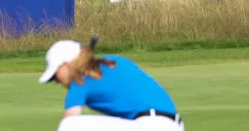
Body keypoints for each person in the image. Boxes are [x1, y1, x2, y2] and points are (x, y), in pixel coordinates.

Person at [39, 39, 183, 131]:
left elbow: (69, 121)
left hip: (151, 126)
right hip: (175, 125)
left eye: (55, 75)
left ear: (66, 64)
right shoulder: (113, 60)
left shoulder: (80, 81)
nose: (56, 81)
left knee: (69, 126)